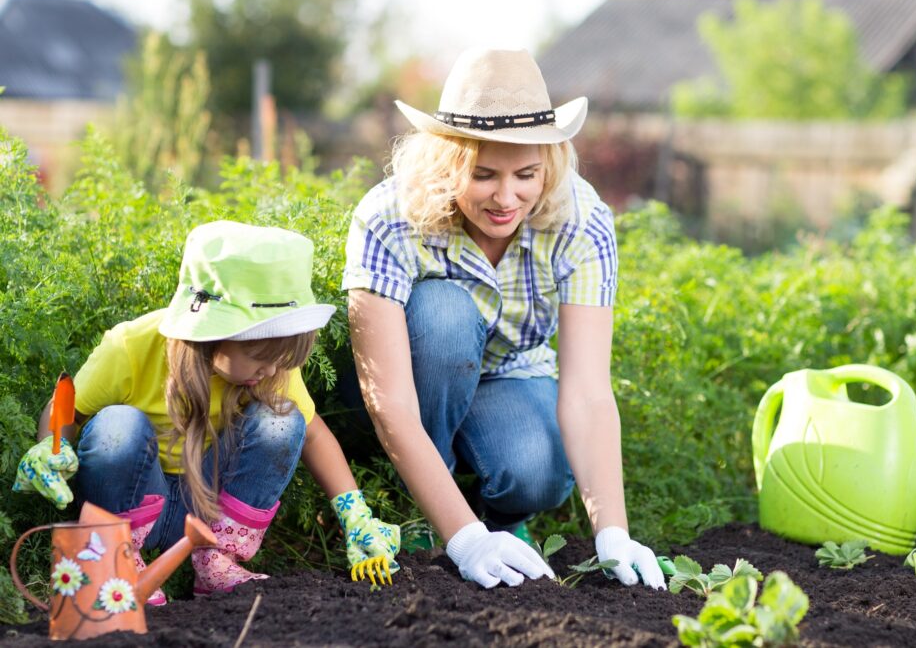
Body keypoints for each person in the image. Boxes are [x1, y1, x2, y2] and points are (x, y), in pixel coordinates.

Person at [342, 47, 665, 590]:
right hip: (417, 374)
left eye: (526, 175)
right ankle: (433, 515)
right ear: (448, 165)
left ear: (549, 164)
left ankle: (501, 522)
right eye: (484, 174)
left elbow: (587, 391)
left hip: (509, 372)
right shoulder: (388, 219)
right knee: (443, 312)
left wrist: (613, 532)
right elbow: (388, 399)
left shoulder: (582, 222)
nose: (505, 197)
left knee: (537, 473)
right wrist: (463, 540)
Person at [13, 221, 401, 603]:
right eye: (258, 356)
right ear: (213, 332)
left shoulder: (270, 365)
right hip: (134, 493)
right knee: (118, 424)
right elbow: (67, 409)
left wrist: (357, 516)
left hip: (208, 510)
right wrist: (51, 446)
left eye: (280, 359)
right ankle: (114, 562)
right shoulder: (131, 346)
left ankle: (218, 560)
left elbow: (313, 433)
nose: (270, 370)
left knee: (281, 418)